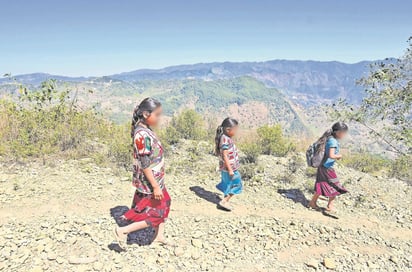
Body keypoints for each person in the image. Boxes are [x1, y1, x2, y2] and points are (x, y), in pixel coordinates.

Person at [113, 97, 171, 250]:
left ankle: (158, 236)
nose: (159, 118)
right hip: (150, 182)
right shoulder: (142, 135)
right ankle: (123, 231)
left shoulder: (145, 130)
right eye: (157, 115)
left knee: (165, 203)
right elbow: (144, 163)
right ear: (146, 114)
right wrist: (155, 186)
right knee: (157, 212)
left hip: (155, 179)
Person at [308, 122, 349, 213]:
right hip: (327, 167)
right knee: (335, 184)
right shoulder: (333, 141)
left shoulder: (328, 138)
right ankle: (330, 205)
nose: (344, 135)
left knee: (321, 184)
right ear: (339, 132)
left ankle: (312, 202)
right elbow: (331, 155)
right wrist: (339, 156)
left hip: (322, 166)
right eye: (344, 133)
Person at [215, 117, 242, 211]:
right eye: (235, 129)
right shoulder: (225, 139)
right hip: (229, 168)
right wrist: (230, 170)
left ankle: (225, 201)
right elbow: (225, 155)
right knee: (238, 185)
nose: (236, 131)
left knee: (228, 184)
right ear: (228, 129)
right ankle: (224, 201)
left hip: (226, 168)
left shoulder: (225, 137)